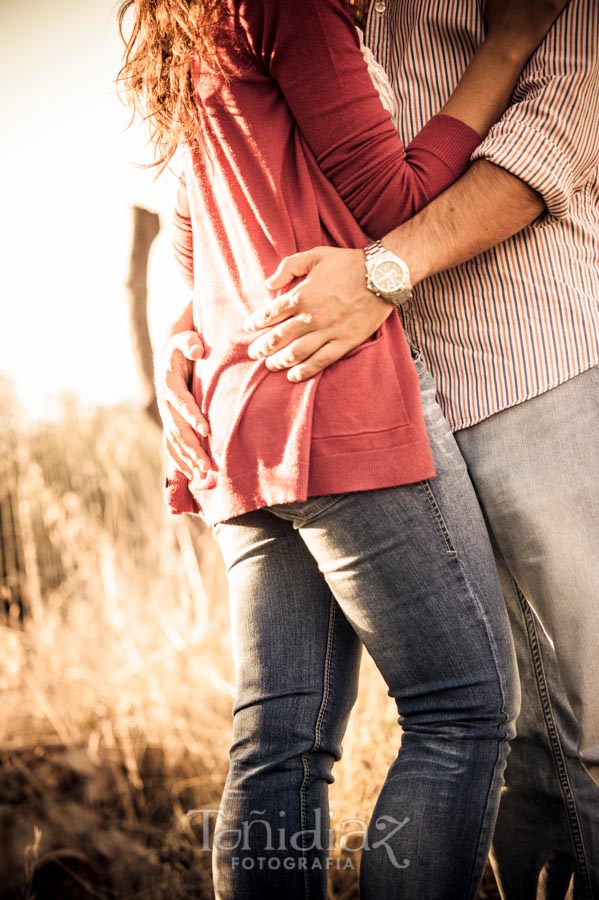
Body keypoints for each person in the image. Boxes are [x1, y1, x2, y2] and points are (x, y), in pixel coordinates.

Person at [118, 1, 570, 897]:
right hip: (333, 391)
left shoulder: (193, 25)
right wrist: (511, 42)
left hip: (235, 410)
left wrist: (184, 339)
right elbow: (392, 202)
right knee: (462, 712)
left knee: (279, 738)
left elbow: (187, 236)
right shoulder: (284, 5)